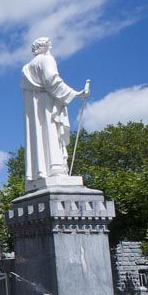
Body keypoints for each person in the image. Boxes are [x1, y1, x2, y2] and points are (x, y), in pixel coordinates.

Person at [21, 37, 89, 187]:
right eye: (49, 46)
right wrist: (75, 93)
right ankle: (55, 168)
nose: (51, 49)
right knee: (51, 131)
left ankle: (38, 172)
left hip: (35, 108)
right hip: (48, 106)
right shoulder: (46, 60)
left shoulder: (27, 68)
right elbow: (52, 80)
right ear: (45, 47)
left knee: (39, 135)